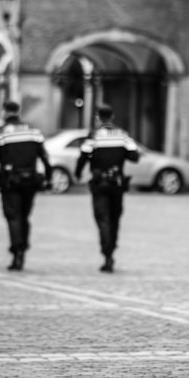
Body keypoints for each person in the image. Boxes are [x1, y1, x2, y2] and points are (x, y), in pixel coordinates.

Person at [0, 100, 53, 271]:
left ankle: (17, 252)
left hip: (11, 182)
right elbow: (45, 158)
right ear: (18, 112)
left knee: (13, 217)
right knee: (24, 216)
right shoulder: (34, 132)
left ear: (4, 112)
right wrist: (49, 179)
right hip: (30, 181)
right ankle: (23, 247)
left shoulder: (0, 134)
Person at [75, 104, 140, 273]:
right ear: (112, 116)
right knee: (115, 218)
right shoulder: (122, 135)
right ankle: (111, 248)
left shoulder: (94, 136)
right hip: (117, 184)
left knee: (102, 219)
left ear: (98, 117)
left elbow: (82, 156)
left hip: (99, 184)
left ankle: (107, 254)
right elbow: (134, 156)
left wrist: (77, 173)